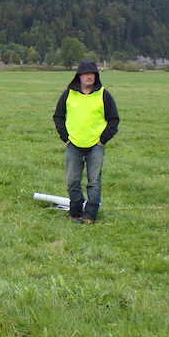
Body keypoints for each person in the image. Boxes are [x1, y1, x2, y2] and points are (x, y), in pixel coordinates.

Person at [53, 60, 120, 224]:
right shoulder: (68, 94)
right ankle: (75, 212)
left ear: (96, 76)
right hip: (74, 145)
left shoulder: (104, 95)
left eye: (92, 74)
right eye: (85, 74)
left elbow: (114, 120)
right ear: (79, 76)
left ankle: (90, 215)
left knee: (94, 182)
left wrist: (102, 140)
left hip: (95, 146)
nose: (89, 77)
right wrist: (65, 137)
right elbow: (58, 117)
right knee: (72, 181)